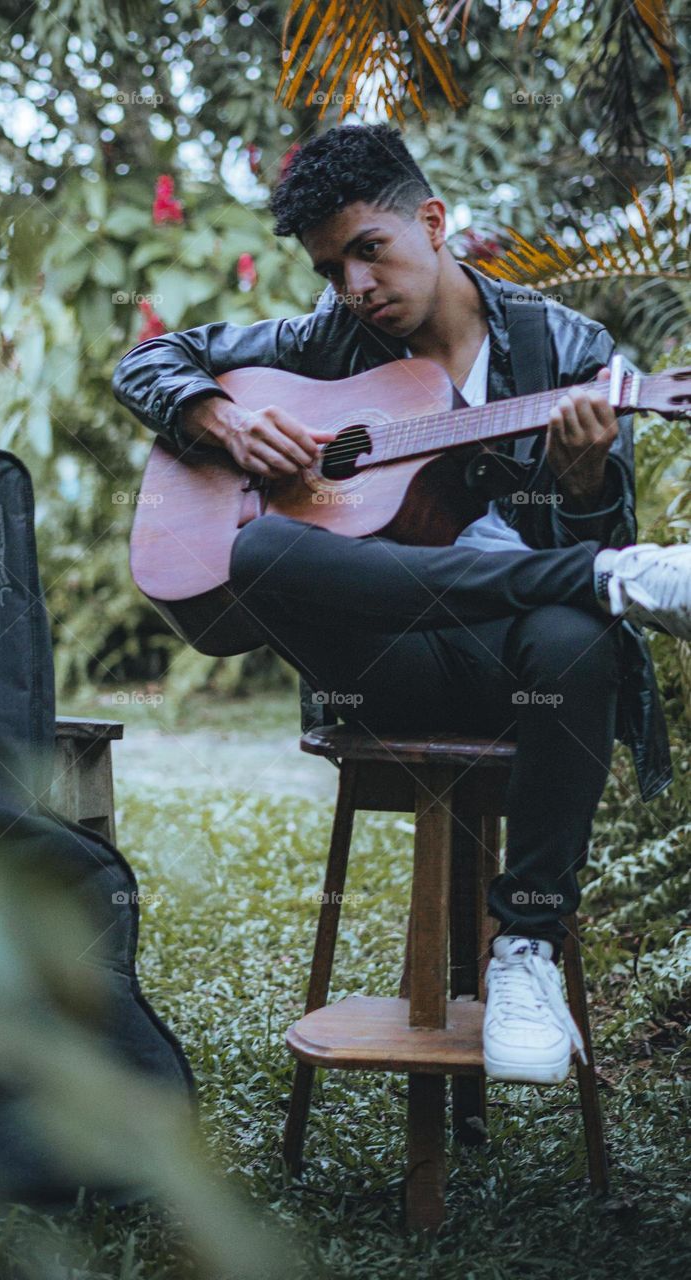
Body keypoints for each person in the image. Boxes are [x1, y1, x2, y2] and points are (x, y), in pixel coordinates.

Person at [112, 124, 690, 1086]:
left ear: (431, 221)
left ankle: (526, 951)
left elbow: (600, 518)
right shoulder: (322, 343)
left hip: (528, 675)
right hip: (388, 668)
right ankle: (610, 581)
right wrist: (225, 418)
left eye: (367, 252)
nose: (353, 288)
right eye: (331, 268)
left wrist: (582, 482)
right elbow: (150, 362)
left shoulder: (569, 349)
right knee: (259, 547)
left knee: (575, 632)